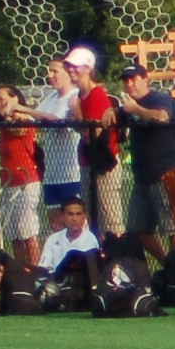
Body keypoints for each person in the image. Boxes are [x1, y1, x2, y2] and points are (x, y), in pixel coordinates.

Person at [117, 58, 175, 258]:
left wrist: (136, 110)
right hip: (143, 177)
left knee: (173, 229)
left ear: (145, 79)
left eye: (133, 79)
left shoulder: (159, 99)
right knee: (137, 228)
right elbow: (118, 117)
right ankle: (167, 265)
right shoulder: (129, 106)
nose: (129, 84)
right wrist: (111, 111)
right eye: (126, 81)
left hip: (167, 173)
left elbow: (161, 117)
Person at [69, 45, 124, 236]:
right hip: (88, 163)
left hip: (102, 166)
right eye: (69, 66)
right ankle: (100, 252)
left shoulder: (96, 95)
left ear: (88, 69)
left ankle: (117, 252)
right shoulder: (80, 96)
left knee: (110, 220)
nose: (71, 70)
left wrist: (77, 113)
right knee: (93, 218)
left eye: (76, 66)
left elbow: (91, 135)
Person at [0, 82, 43, 268]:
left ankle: (34, 269)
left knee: (27, 231)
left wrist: (9, 113)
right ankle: (20, 269)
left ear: (14, 99)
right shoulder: (2, 123)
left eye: (1, 99)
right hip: (9, 182)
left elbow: (18, 129)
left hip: (26, 180)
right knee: (14, 233)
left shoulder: (22, 118)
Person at [34, 56, 87, 217]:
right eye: (49, 71)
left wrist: (23, 109)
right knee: (56, 222)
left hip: (71, 173)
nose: (50, 75)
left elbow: (56, 120)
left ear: (68, 73)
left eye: (54, 71)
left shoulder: (75, 96)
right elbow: (32, 117)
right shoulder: (50, 98)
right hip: (51, 174)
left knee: (76, 221)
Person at [37, 197, 103, 282]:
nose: (74, 219)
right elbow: (44, 268)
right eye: (70, 214)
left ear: (85, 216)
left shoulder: (90, 239)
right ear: (62, 216)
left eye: (78, 214)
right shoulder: (52, 239)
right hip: (54, 283)